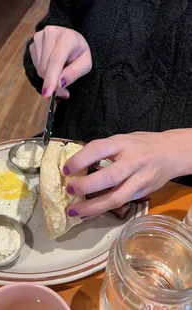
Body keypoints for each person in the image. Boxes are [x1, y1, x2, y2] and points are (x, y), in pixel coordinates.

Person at [24, 0, 192, 219]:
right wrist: (53, 54)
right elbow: (59, 20)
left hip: (171, 204)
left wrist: (179, 147)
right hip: (63, 165)